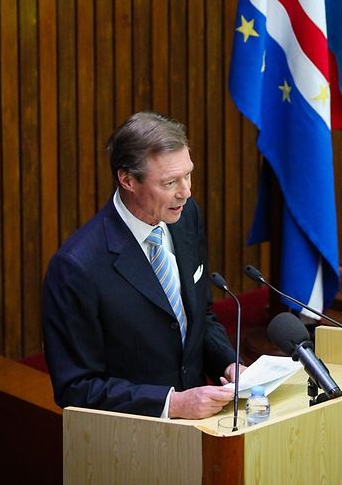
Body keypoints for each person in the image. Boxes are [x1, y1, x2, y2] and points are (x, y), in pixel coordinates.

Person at [42, 111, 242, 419]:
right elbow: (76, 387)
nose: (185, 192)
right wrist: (172, 404)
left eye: (188, 175)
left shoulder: (186, 216)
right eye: (170, 182)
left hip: (201, 425)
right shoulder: (76, 267)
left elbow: (199, 316)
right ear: (127, 180)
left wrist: (227, 363)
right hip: (131, 437)